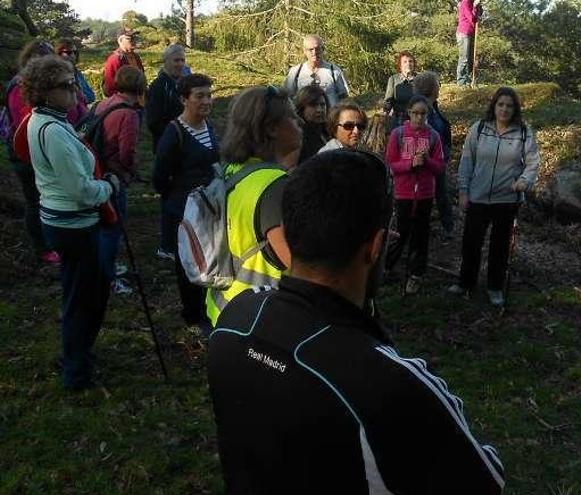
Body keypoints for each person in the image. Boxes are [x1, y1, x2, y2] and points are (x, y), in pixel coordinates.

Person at [208, 149, 505, 493]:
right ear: (376, 246)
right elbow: (484, 481)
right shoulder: (388, 385)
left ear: (287, 233)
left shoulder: (233, 321)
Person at [21, 54, 115, 390]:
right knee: (84, 297)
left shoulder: (48, 121)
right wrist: (111, 185)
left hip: (63, 221)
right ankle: (75, 372)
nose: (74, 90)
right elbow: (81, 191)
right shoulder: (52, 130)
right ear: (45, 92)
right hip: (73, 225)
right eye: (65, 85)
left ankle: (76, 355)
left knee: (83, 291)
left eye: (73, 81)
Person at [205, 86, 302, 325]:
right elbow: (300, 264)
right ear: (270, 128)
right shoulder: (275, 186)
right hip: (262, 320)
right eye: (291, 116)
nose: (299, 121)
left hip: (225, 308)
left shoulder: (231, 171)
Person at [448, 87, 539, 306]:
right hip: (477, 197)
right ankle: (465, 282)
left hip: (507, 200)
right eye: (501, 104)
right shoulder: (478, 129)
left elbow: (533, 162)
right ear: (494, 106)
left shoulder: (523, 132)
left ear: (515, 109)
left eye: (509, 105)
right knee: (471, 243)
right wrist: (463, 191)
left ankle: (495, 287)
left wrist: (524, 182)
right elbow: (467, 161)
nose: (504, 109)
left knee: (499, 247)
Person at [5, 39, 81, 265]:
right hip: (26, 152)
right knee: (35, 199)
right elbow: (25, 123)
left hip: (37, 147)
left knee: (44, 196)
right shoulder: (21, 87)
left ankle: (50, 241)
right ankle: (42, 246)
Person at [153, 74, 218, 335]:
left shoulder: (208, 127)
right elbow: (159, 177)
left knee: (209, 258)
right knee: (189, 264)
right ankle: (192, 317)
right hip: (184, 212)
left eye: (209, 95)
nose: (206, 101)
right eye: (199, 96)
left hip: (208, 208)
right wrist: (179, 198)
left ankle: (207, 309)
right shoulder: (174, 133)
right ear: (184, 100)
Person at [385, 95, 445, 295]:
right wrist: (410, 164)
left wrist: (427, 161)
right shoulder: (398, 134)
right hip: (403, 193)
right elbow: (391, 164)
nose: (419, 117)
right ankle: (386, 266)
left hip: (425, 194)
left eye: (423, 113)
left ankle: (415, 274)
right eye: (416, 113)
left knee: (421, 234)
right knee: (400, 233)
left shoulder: (434, 136)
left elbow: (439, 167)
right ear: (409, 113)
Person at [94, 66, 146, 296]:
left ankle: (105, 269)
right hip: (113, 176)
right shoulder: (129, 114)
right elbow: (126, 152)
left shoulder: (104, 104)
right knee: (112, 229)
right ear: (140, 87)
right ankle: (107, 278)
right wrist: (133, 171)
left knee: (102, 227)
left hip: (96, 170)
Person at [412, 70, 454, 240]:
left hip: (437, 160)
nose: (440, 87)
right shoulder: (422, 110)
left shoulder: (433, 106)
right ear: (430, 88)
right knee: (432, 194)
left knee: (442, 193)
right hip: (427, 162)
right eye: (437, 84)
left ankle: (446, 228)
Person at [282, 34, 350, 107]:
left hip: (329, 117)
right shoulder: (295, 72)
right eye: (310, 49)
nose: (314, 52)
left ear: (322, 49)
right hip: (302, 118)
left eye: (317, 49)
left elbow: (344, 98)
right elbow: (286, 98)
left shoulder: (334, 71)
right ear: (304, 51)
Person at [146, 43, 187, 151]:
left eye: (183, 60)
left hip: (185, 144)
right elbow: (153, 122)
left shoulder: (184, 83)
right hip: (166, 145)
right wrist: (175, 134)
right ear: (166, 61)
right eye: (176, 60)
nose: (180, 64)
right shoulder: (158, 86)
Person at [101, 27, 144, 98]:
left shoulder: (136, 57)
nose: (133, 40)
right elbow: (109, 89)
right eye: (129, 38)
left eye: (134, 38)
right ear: (120, 40)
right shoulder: (115, 59)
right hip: (124, 104)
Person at [294, 85, 330, 163]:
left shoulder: (329, 131)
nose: (319, 110)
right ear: (302, 108)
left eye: (322, 105)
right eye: (313, 105)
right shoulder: (297, 137)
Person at [383, 50, 417, 130]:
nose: (408, 64)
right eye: (405, 62)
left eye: (410, 61)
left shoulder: (420, 79)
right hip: (399, 120)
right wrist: (385, 113)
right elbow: (388, 100)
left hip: (417, 120)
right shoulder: (393, 79)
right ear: (400, 65)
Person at [55, 39, 95, 104]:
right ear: (59, 53)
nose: (73, 55)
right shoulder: (56, 76)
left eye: (75, 52)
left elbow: (91, 96)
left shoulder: (77, 73)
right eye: (68, 53)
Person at [456, 0, 482, 86]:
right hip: (464, 32)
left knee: (469, 59)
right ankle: (461, 82)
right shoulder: (466, 2)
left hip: (469, 33)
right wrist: (474, 7)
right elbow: (471, 18)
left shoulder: (470, 2)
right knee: (464, 59)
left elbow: (477, 16)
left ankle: (467, 81)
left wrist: (477, 7)